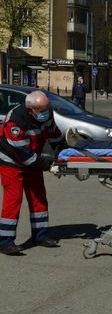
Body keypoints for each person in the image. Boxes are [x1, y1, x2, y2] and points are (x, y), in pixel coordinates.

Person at [0, 91, 64, 255]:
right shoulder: (15, 121)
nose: (46, 112)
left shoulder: (46, 114)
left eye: (47, 108)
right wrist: (47, 166)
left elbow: (54, 134)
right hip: (11, 161)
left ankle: (40, 236)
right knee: (13, 199)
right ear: (30, 110)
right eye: (42, 110)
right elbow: (21, 153)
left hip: (32, 158)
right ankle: (5, 241)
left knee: (38, 196)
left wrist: (62, 153)